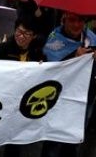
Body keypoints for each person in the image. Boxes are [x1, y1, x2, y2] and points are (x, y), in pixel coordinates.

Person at [41, 12, 96, 157]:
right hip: (59, 97)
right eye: (72, 20)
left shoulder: (91, 38)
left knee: (73, 141)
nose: (77, 25)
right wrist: (74, 56)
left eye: (81, 20)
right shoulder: (54, 39)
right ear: (64, 20)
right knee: (53, 141)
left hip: (83, 98)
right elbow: (50, 67)